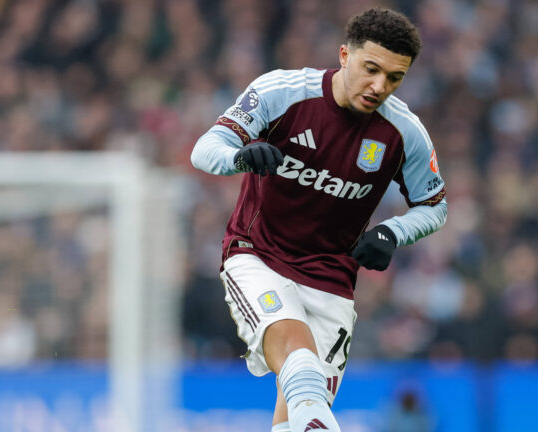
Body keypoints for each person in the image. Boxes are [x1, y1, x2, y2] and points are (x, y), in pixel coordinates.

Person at [190, 7, 447, 432]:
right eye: (371, 69)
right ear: (344, 55)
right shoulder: (282, 92)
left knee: (297, 416)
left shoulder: (405, 133)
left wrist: (393, 231)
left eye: (395, 77)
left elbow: (434, 205)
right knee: (302, 367)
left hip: (332, 280)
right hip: (258, 257)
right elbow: (205, 149)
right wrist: (240, 156)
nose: (379, 86)